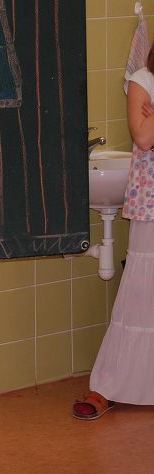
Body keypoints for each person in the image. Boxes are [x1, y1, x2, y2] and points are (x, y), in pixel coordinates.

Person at [72, 44, 154, 420]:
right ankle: (111, 384)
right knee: (140, 293)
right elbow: (144, 138)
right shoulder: (143, 80)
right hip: (150, 203)